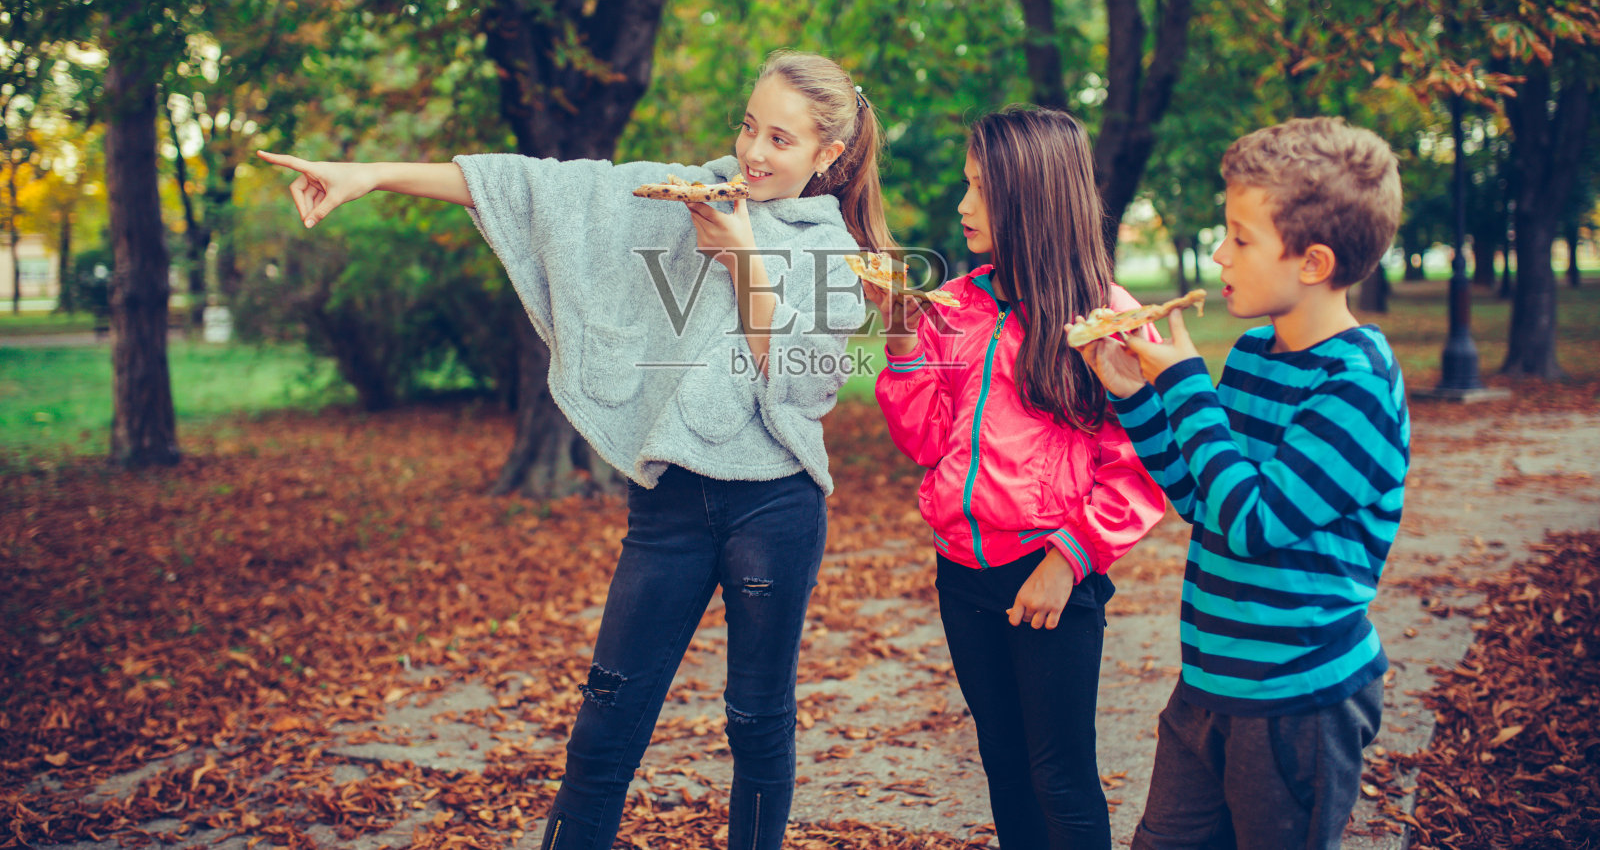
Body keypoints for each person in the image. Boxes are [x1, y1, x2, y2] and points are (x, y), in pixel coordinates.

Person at [258, 51, 888, 850]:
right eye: (749, 126)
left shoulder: (836, 254)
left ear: (827, 154)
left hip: (775, 503)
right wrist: (369, 174)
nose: (754, 152)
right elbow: (543, 188)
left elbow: (798, 387)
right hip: (670, 504)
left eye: (782, 140)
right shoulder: (685, 195)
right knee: (605, 722)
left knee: (758, 721)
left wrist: (739, 255)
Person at [1076, 117, 1409, 850]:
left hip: (1299, 700)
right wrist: (1135, 397)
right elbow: (1204, 499)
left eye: (1241, 236)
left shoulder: (1355, 384)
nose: (1220, 252)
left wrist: (1187, 383)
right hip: (1210, 682)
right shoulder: (1258, 353)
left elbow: (1254, 520)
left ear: (1313, 261)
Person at [868, 107, 1167, 849]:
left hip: (1051, 577)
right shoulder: (957, 306)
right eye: (965, 185)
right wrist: (905, 341)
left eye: (981, 189)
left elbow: (1142, 467)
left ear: (1031, 197)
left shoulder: (1108, 318)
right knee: (1002, 761)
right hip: (962, 574)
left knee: (1058, 773)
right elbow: (928, 439)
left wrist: (1068, 560)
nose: (962, 206)